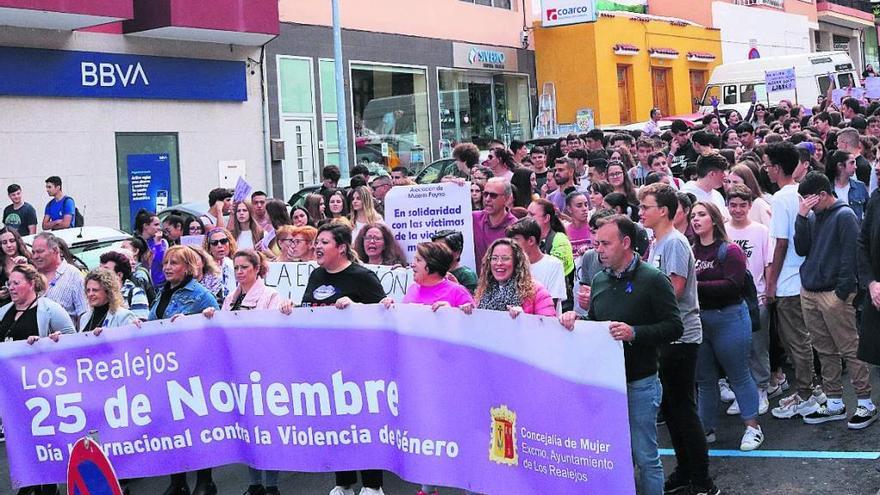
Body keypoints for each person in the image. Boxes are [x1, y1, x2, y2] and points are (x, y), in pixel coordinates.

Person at [559, 214, 683, 495]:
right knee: (614, 455)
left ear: (626, 243)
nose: (598, 250)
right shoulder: (600, 280)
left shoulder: (653, 280)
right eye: (596, 243)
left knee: (646, 456)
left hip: (640, 382)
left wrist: (634, 333)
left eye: (605, 243)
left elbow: (675, 327)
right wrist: (576, 321)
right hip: (607, 383)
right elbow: (597, 324)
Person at [637, 184, 717, 493]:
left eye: (646, 207)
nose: (641, 212)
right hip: (666, 338)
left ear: (664, 211)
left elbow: (675, 290)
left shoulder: (674, 243)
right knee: (671, 409)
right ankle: (685, 471)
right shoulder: (658, 242)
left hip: (681, 337)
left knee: (683, 408)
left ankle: (702, 480)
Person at [299, 224, 387, 495]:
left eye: (323, 242)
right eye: (317, 242)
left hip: (360, 365)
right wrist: (291, 309)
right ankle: (344, 482)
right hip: (326, 363)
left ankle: (372, 485)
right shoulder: (316, 275)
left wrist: (357, 309)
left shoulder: (363, 277)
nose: (317, 247)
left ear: (341, 247)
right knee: (336, 424)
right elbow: (307, 310)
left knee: (363, 425)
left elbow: (385, 314)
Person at [200, 249, 288, 495]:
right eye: (236, 268)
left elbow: (271, 332)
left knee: (266, 431)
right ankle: (254, 483)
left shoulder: (271, 296)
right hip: (237, 370)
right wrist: (212, 316)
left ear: (256, 269)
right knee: (246, 428)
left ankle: (271, 485)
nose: (239, 272)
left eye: (244, 268)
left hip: (262, 371)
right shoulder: (230, 298)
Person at [793, 172, 876, 428]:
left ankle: (865, 402)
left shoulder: (845, 215)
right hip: (811, 291)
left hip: (834, 294)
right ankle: (834, 401)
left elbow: (851, 257)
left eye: (808, 198)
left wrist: (841, 293)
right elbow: (801, 248)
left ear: (822, 194)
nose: (805, 203)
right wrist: (801, 217)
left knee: (850, 348)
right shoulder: (813, 216)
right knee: (824, 349)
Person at [690, 201, 765, 451]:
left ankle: (753, 427)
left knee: (738, 374)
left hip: (730, 317)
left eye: (702, 214)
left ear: (714, 219)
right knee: (704, 379)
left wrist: (694, 288)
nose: (696, 219)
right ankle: (705, 429)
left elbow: (732, 285)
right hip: (701, 320)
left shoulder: (730, 250)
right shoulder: (691, 250)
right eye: (693, 215)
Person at [150, 246, 219, 495]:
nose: (167, 267)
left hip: (193, 370)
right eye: (166, 262)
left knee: (195, 426)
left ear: (188, 268)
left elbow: (216, 329)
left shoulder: (201, 295)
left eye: (174, 263)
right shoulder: (163, 292)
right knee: (172, 426)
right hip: (165, 368)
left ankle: (205, 480)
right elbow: (154, 322)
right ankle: (177, 481)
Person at [763, 142, 821, 420]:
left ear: (776, 167)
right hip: (801, 277)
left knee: (796, 340)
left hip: (788, 282)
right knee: (801, 339)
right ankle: (809, 390)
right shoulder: (797, 192)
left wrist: (771, 283)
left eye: (767, 164)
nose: (765, 169)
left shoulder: (780, 197)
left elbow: (781, 243)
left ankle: (807, 395)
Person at [724, 185, 774, 412]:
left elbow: (768, 264)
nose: (738, 210)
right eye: (733, 205)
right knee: (734, 348)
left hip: (756, 297)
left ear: (750, 206)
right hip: (729, 299)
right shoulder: (722, 231)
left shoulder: (761, 231)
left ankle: (762, 388)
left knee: (758, 346)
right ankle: (743, 391)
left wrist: (768, 292)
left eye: (742, 205)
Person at [460, 238, 556, 318]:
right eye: (494, 258)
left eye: (505, 258)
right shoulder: (483, 292)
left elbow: (548, 329)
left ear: (517, 262)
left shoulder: (536, 291)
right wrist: (470, 313)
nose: (499, 263)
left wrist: (525, 319)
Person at [383, 241, 473, 311]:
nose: (412, 265)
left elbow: (474, 325)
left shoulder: (458, 292)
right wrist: (390, 308)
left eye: (418, 260)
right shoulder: (412, 288)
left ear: (433, 264)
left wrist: (452, 313)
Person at [507, 218, 567, 309]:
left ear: (531, 240)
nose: (511, 245)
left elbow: (551, 304)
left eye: (516, 240)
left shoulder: (554, 265)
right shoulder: (511, 266)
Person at [30, 232, 87, 326]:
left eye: (40, 252)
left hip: (64, 339)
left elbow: (84, 314)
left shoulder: (74, 275)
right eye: (33, 252)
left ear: (55, 251)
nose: (35, 256)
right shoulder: (31, 276)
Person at [472, 178, 517, 274]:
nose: (487, 199)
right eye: (485, 194)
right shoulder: (473, 218)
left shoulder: (515, 228)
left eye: (493, 195)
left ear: (507, 198)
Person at [79, 268, 137, 334]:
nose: (90, 294)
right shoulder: (84, 318)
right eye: (88, 290)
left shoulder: (124, 316)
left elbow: (130, 342)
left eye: (95, 290)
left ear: (107, 291)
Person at [99, 250, 150, 320]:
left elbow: (141, 325)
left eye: (105, 270)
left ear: (119, 275)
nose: (99, 274)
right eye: (99, 269)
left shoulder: (135, 293)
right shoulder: (99, 295)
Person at [826, 150, 869, 223]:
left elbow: (869, 211)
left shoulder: (860, 186)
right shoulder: (827, 188)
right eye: (851, 163)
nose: (855, 167)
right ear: (840, 166)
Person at [681, 154, 729, 219]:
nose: (725, 176)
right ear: (712, 174)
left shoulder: (717, 195)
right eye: (722, 172)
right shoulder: (686, 195)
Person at [431, 230, 477, 294]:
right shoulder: (434, 272)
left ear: (457, 253)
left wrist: (457, 287)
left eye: (442, 249)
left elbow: (472, 301)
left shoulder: (467, 275)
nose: (437, 253)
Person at [134, 209, 168, 288]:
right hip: (146, 285)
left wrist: (158, 244)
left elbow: (162, 262)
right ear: (145, 226)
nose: (159, 228)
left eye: (159, 225)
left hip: (161, 284)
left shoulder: (163, 242)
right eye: (156, 225)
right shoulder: (137, 243)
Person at [202, 228, 238, 301]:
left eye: (223, 241)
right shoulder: (203, 268)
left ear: (229, 243)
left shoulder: (236, 265)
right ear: (209, 247)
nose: (219, 245)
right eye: (214, 243)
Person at [0, 227, 31, 306]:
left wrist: (26, 267)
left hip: (26, 307)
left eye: (12, 241)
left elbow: (38, 285)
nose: (9, 245)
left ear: (18, 241)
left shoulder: (29, 261)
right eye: (4, 242)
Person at [565, 191, 592, 256]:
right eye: (579, 206)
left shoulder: (594, 229)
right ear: (569, 209)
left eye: (586, 205)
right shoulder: (564, 231)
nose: (584, 209)